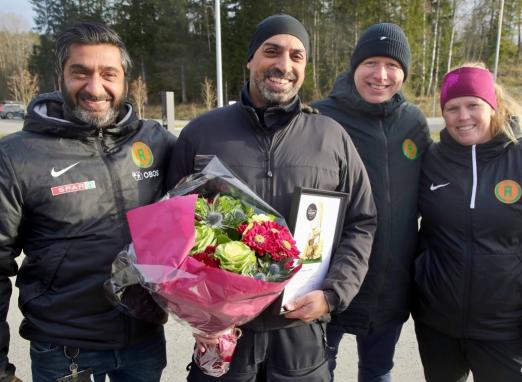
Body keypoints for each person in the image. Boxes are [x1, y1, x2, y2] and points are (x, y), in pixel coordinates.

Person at [167, 14, 376, 382]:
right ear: (250, 59)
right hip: (223, 335)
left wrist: (333, 294)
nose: (284, 64)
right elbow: (170, 226)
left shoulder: (331, 138)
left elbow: (362, 222)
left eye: (297, 56)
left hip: (300, 332)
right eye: (272, 51)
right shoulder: (202, 133)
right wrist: (197, 311)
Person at [0, 22, 176, 382]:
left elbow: (210, 196)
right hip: (65, 352)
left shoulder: (156, 141)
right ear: (60, 76)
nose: (95, 88)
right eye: (80, 72)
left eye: (108, 74)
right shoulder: (16, 156)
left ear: (125, 79)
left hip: (144, 342)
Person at [413, 63, 522, 382]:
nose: (462, 116)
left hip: (507, 330)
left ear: (493, 105)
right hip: (436, 325)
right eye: (452, 108)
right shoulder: (432, 160)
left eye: (473, 105)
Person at [313, 23, 431, 381]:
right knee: (317, 370)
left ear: (404, 73)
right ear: (355, 66)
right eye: (371, 63)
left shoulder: (413, 122)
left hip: (390, 283)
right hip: (329, 279)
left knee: (378, 371)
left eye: (392, 65)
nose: (381, 75)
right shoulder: (321, 118)